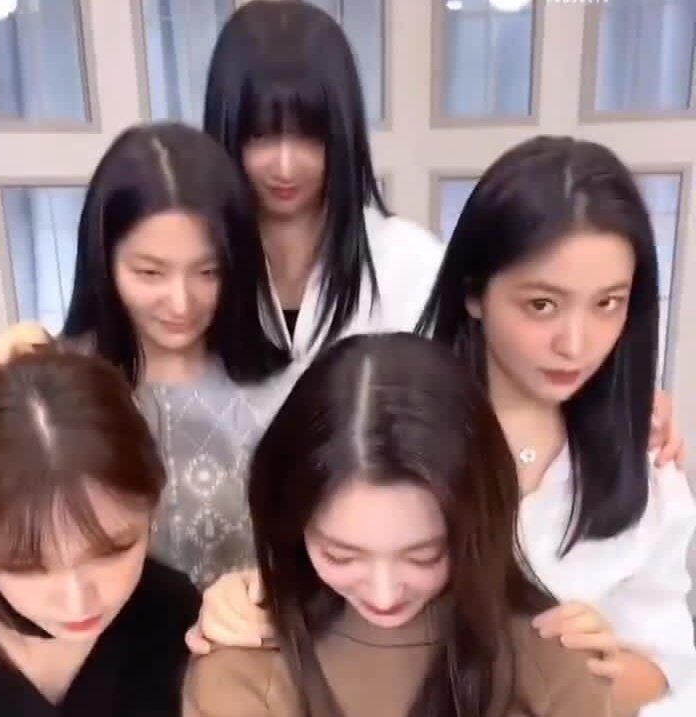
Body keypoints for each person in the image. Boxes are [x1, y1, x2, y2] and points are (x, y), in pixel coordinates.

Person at [186, 137, 695, 717]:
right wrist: (244, 595)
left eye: (608, 303)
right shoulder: (383, 419)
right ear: (474, 291)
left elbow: (670, 661)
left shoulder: (646, 466)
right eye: (542, 305)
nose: (575, 343)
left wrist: (574, 673)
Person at [184, 333, 612, 717]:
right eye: (340, 555)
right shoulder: (245, 660)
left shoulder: (555, 661)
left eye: (424, 556)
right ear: (291, 524)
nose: (384, 593)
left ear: (479, 521)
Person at [0, 122, 289, 588]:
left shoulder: (287, 394)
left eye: (208, 272)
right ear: (104, 260)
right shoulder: (56, 387)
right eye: (150, 273)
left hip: (247, 632)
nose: (181, 303)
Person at [203, 0, 444, 364]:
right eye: (260, 135)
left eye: (310, 135)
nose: (285, 167)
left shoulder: (410, 263)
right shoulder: (191, 264)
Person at [0, 349, 199, 716]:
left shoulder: (175, 617)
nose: (77, 603)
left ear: (154, 506)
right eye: (25, 567)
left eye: (111, 551)